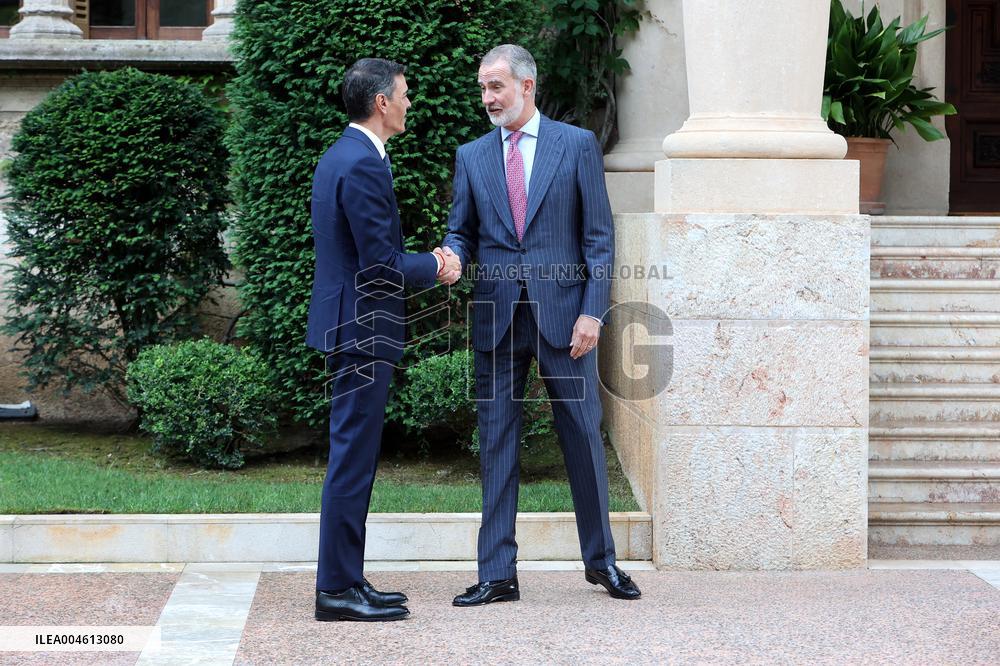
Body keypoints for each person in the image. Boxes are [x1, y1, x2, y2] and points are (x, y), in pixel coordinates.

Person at [441, 44, 640, 605]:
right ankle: (497, 574)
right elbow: (462, 230)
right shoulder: (472, 155)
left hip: (566, 322)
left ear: (527, 85)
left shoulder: (575, 146)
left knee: (582, 438)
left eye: (496, 87)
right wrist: (451, 254)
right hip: (497, 320)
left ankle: (602, 564)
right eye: (482, 88)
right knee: (497, 444)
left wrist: (591, 312)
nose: (487, 98)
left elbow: (599, 239)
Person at [306, 57, 459, 622]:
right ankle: (336, 591)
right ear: (381, 104)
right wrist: (437, 265)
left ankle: (346, 580)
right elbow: (380, 265)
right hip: (362, 330)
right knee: (351, 458)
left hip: (351, 326)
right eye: (405, 93)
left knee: (355, 455)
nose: (409, 101)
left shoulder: (342, 156)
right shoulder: (362, 164)